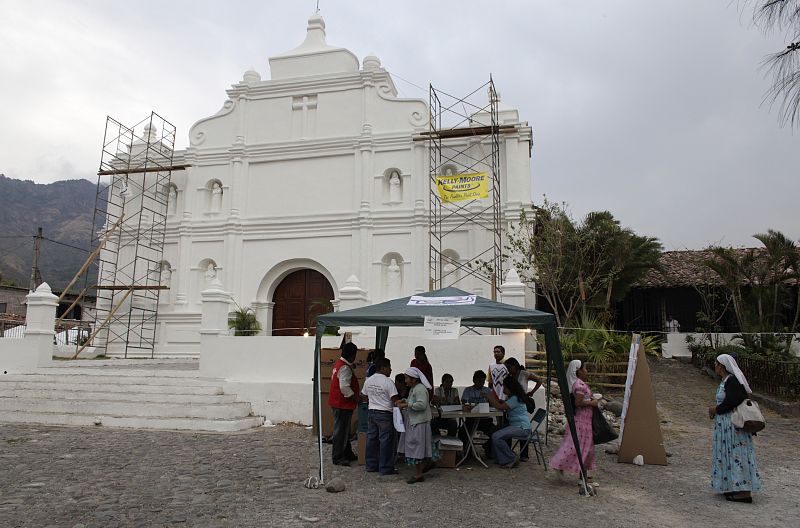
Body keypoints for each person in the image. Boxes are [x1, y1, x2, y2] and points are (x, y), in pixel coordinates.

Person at [708, 353, 761, 503]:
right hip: (726, 426)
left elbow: (733, 400)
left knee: (738, 455)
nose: (715, 366)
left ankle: (744, 491)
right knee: (729, 454)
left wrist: (716, 409)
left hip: (733, 426)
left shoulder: (732, 381)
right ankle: (733, 485)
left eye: (716, 364)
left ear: (721, 366)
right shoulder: (727, 381)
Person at [549, 360, 597, 477]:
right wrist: (592, 403)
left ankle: (583, 473)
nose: (586, 371)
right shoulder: (579, 385)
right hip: (581, 421)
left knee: (585, 447)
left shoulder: (578, 384)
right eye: (584, 368)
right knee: (574, 446)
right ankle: (559, 464)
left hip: (584, 420)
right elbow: (578, 403)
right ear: (578, 371)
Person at [397, 367, 437, 484]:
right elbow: (413, 401)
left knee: (416, 447)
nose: (405, 381)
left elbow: (422, 404)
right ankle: (428, 463)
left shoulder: (419, 389)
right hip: (415, 421)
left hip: (419, 423)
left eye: (406, 378)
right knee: (418, 446)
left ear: (413, 379)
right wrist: (404, 401)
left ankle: (419, 474)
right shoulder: (414, 388)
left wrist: (406, 405)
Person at [362, 357, 400, 476]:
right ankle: (385, 467)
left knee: (371, 439)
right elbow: (395, 399)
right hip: (385, 413)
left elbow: (364, 395)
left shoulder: (369, 380)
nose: (391, 370)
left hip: (372, 412)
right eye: (389, 367)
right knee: (385, 441)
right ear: (383, 368)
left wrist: (374, 400)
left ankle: (371, 465)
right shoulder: (388, 382)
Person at [485, 377, 532, 468]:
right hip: (519, 426)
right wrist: (502, 402)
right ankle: (500, 457)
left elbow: (500, 407)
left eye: (505, 387)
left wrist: (490, 398)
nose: (503, 389)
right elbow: (505, 405)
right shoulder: (514, 398)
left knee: (496, 436)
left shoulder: (515, 398)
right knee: (494, 431)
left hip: (521, 427)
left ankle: (511, 458)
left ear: (510, 388)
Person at [503, 357, 542, 461]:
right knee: (509, 423)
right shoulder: (510, 376)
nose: (508, 370)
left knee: (521, 425)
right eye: (507, 368)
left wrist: (532, 392)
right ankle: (508, 451)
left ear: (515, 365)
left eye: (509, 367)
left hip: (520, 402)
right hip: (511, 401)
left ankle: (524, 454)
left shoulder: (524, 374)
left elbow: (539, 380)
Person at [328, 342, 360, 466]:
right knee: (341, 431)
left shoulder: (339, 364)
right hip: (342, 404)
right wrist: (355, 398)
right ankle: (338, 456)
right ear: (352, 355)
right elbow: (344, 387)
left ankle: (347, 453)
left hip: (337, 402)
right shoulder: (345, 368)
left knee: (344, 430)